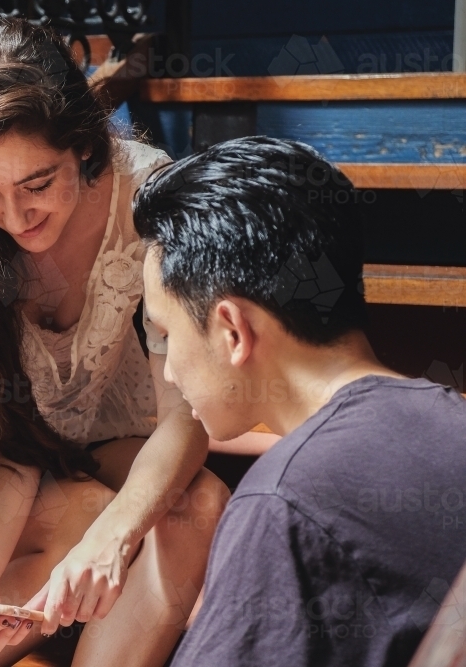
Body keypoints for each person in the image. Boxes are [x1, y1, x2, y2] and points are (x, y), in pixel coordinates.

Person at [0, 18, 237, 667]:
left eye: (38, 184)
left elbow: (186, 417)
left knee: (199, 504)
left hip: (120, 437)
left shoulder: (148, 194)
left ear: (84, 146)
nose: (17, 218)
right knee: (48, 512)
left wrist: (113, 535)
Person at [134, 136, 466, 667]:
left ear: (232, 330)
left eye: (167, 334)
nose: (169, 370)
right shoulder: (455, 421)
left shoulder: (284, 503)